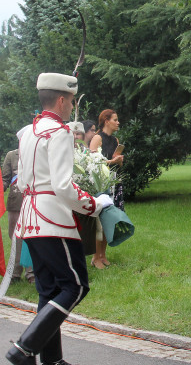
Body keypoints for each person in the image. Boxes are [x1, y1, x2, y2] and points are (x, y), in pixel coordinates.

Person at [5, 72, 113, 365]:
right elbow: (63, 185)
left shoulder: (28, 132)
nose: (72, 106)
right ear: (63, 100)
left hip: (31, 217)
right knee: (75, 286)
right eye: (72, 100)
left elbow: (22, 181)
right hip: (53, 219)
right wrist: (93, 204)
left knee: (49, 290)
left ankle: (51, 359)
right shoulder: (60, 132)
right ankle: (25, 348)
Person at [88, 109, 124, 269]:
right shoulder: (97, 138)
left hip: (113, 182)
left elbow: (116, 163)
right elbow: (92, 163)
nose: (118, 123)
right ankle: (95, 257)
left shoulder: (115, 140)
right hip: (100, 183)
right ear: (106, 121)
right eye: (115, 120)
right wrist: (112, 162)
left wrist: (119, 160)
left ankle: (103, 255)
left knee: (109, 219)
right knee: (99, 220)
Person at [1, 148, 34, 283]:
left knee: (32, 237)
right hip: (16, 203)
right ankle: (15, 272)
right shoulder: (11, 154)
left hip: (33, 201)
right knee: (16, 237)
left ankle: (31, 273)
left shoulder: (36, 151)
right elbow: (5, 178)